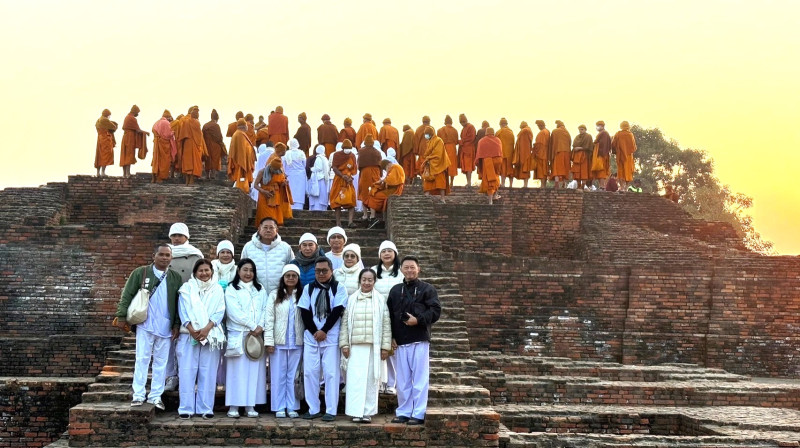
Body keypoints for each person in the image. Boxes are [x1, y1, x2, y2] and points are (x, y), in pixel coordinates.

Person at [114, 243, 181, 410]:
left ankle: (155, 396)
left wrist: (176, 324)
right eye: (161, 254)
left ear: (171, 258)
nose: (164, 258)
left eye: (167, 255)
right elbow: (127, 294)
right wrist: (121, 315)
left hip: (165, 326)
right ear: (154, 256)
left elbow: (178, 303)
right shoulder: (141, 273)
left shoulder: (175, 277)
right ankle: (138, 395)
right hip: (145, 324)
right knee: (142, 359)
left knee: (161, 363)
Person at [387, 256, 441, 425]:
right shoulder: (395, 291)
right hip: (401, 341)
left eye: (412, 267)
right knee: (402, 380)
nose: (409, 270)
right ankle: (403, 411)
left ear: (418, 269)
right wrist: (391, 336)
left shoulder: (427, 289)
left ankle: (418, 413)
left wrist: (418, 320)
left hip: (419, 339)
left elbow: (435, 311)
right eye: (406, 267)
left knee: (419, 379)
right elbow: (389, 316)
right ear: (401, 270)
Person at [298, 257, 349, 421]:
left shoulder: (338, 288)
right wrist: (315, 331)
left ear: (331, 271)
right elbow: (305, 312)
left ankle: (331, 410)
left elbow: (337, 311)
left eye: (324, 270)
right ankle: (313, 408)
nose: (321, 274)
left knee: (331, 374)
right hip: (312, 337)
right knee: (310, 373)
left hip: (331, 336)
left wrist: (324, 330)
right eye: (318, 271)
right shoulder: (309, 288)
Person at [176, 259, 226, 419]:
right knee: (187, 372)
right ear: (195, 273)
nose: (204, 273)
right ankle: (186, 408)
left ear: (212, 271)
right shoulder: (187, 289)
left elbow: (220, 311)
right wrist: (192, 330)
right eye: (201, 271)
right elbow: (183, 311)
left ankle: (205, 408)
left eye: (207, 270)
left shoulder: (217, 289)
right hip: (188, 334)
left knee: (208, 372)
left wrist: (206, 329)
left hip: (210, 335)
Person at [340, 268, 391, 423]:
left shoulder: (380, 300)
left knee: (370, 381)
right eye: (364, 279)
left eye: (370, 280)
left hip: (373, 347)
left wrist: (385, 347)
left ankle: (367, 412)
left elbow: (386, 324)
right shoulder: (352, 299)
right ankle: (355, 411)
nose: (367, 282)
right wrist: (344, 344)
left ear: (374, 281)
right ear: (360, 280)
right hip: (355, 346)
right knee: (355, 380)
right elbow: (345, 323)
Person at [224, 259, 268, 418]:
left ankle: (251, 405)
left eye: (251, 270)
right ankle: (234, 406)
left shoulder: (260, 288)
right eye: (245, 270)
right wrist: (252, 325)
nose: (248, 273)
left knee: (254, 372)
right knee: (236, 372)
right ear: (238, 271)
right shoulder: (231, 288)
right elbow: (233, 312)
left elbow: (265, 308)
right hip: (239, 333)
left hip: (256, 335)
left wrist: (260, 326)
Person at [264, 264, 304, 418]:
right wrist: (269, 341)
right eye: (288, 275)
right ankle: (279, 406)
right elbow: (269, 318)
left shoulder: (302, 294)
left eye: (294, 275)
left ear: (298, 278)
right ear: (283, 277)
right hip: (278, 342)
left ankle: (292, 407)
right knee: (278, 376)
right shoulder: (275, 295)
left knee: (293, 376)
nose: (291, 278)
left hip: (297, 342)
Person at [371, 241, 403, 394]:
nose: (387, 254)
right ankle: (377, 383)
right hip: (376, 315)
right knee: (376, 349)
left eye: (390, 251)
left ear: (395, 253)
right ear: (379, 255)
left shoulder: (401, 273)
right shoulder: (373, 271)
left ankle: (391, 383)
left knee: (392, 350)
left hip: (395, 315)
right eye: (383, 251)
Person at [241, 217, 294, 295]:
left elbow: (292, 268)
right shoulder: (248, 247)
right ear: (259, 229)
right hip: (255, 294)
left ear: (277, 230)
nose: (268, 230)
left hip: (279, 294)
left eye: (271, 228)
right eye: (265, 227)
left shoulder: (285, 247)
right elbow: (242, 269)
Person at [254, 142, 293, 226]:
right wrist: (263, 191)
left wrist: (284, 183)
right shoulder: (262, 172)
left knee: (274, 218)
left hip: (275, 195)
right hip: (264, 195)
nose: (275, 172)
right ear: (270, 166)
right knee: (265, 217)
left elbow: (280, 183)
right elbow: (255, 185)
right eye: (274, 170)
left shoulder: (278, 172)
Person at [365, 158, 405, 225]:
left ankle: (372, 217)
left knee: (373, 196)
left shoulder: (395, 167)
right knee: (373, 192)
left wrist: (382, 180)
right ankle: (373, 217)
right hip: (390, 189)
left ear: (388, 165)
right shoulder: (393, 168)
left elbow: (391, 180)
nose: (386, 170)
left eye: (385, 168)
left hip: (394, 190)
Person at [330, 139, 358, 228]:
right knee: (336, 200)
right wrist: (342, 175)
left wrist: (349, 176)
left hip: (348, 181)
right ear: (342, 148)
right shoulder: (337, 155)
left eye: (349, 148)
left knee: (351, 200)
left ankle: (350, 222)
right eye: (346, 148)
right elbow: (334, 168)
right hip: (338, 180)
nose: (347, 150)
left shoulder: (352, 156)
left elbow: (354, 168)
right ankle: (338, 223)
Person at [178, 107, 208, 186]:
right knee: (194, 162)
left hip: (187, 144)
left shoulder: (185, 122)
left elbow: (182, 135)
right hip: (194, 144)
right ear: (196, 115)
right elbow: (199, 136)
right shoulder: (197, 123)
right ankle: (191, 181)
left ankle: (187, 181)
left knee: (187, 162)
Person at [358, 135, 384, 221]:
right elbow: (380, 165)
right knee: (373, 192)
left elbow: (359, 165)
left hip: (365, 173)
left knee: (364, 193)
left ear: (365, 142)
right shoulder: (377, 152)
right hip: (375, 172)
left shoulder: (361, 151)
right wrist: (380, 174)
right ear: (373, 142)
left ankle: (365, 215)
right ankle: (372, 215)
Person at [421, 126, 450, 202]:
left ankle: (442, 198)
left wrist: (429, 158)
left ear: (431, 133)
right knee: (428, 181)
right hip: (430, 164)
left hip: (439, 165)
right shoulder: (429, 141)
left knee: (440, 182)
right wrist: (427, 158)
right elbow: (427, 152)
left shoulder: (438, 140)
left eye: (427, 134)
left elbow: (438, 154)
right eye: (425, 134)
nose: (426, 135)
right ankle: (426, 197)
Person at [475, 127, 503, 204]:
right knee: (495, 177)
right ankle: (495, 195)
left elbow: (479, 154)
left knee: (489, 180)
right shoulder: (498, 140)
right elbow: (500, 153)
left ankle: (490, 201)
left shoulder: (482, 141)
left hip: (487, 161)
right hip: (497, 160)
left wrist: (478, 163)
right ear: (493, 132)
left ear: (486, 133)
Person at [120, 105, 149, 178]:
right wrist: (145, 132)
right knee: (129, 155)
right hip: (130, 138)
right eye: (137, 112)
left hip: (125, 137)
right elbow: (138, 130)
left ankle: (124, 174)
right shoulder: (132, 118)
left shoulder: (127, 117)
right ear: (135, 112)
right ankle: (128, 173)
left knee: (124, 155)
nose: (137, 114)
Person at [228, 118, 256, 194]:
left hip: (241, 160)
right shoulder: (239, 134)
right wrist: (244, 162)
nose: (247, 127)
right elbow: (242, 150)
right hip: (241, 161)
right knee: (241, 178)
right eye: (246, 125)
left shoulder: (238, 133)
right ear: (244, 126)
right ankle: (242, 190)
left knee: (241, 178)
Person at [151, 110, 176, 183]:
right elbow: (167, 135)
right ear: (168, 117)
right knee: (164, 160)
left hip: (157, 143)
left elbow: (153, 130)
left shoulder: (157, 122)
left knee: (156, 160)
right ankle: (160, 178)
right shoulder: (166, 123)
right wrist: (173, 132)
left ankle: (154, 177)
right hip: (164, 144)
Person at [612, 121, 638, 190]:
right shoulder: (630, 135)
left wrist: (616, 151)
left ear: (621, 126)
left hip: (620, 156)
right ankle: (626, 187)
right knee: (628, 171)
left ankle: (622, 187)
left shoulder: (618, 134)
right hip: (628, 156)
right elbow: (634, 147)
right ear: (628, 126)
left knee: (620, 172)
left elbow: (613, 144)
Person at [202, 109, 227, 181]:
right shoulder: (216, 126)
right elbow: (219, 137)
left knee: (208, 159)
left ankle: (207, 175)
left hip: (207, 145)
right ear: (217, 118)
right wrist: (222, 145)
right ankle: (212, 175)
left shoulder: (205, 125)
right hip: (215, 146)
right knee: (214, 159)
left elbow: (202, 135)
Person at [283, 139, 307, 210]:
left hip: (289, 175)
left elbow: (283, 166)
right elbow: (304, 164)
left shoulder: (287, 153)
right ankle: (299, 207)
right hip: (300, 176)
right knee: (299, 192)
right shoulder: (301, 153)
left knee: (291, 191)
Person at [437, 116, 459, 189]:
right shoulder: (455, 130)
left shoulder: (440, 130)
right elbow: (456, 141)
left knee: (444, 165)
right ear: (451, 122)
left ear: (445, 122)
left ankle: (445, 182)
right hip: (452, 148)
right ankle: (451, 182)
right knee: (452, 165)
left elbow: (438, 140)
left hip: (443, 148)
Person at [95, 109, 118, 177]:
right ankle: (103, 172)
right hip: (105, 139)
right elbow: (113, 127)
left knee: (99, 155)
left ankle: (98, 173)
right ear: (107, 114)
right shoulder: (105, 120)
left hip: (100, 139)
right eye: (109, 115)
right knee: (105, 155)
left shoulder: (98, 120)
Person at [550, 120, 572, 189]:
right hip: (567, 152)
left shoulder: (555, 131)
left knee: (557, 168)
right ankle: (564, 184)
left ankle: (556, 184)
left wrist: (552, 153)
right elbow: (570, 143)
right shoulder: (567, 132)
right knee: (565, 168)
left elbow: (552, 142)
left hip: (558, 151)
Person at [308, 145, 330, 211]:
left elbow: (318, 168)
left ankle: (316, 208)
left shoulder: (318, 158)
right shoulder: (325, 159)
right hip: (323, 178)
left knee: (317, 196)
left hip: (318, 179)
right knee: (322, 195)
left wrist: (311, 169)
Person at [512, 121, 534, 188]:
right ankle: (525, 185)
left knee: (525, 168)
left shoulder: (524, 131)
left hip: (523, 153)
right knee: (526, 169)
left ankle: (525, 185)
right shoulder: (529, 130)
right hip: (527, 153)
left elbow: (522, 143)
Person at [571, 125, 593, 189]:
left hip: (585, 156)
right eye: (579, 129)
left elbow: (589, 147)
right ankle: (578, 185)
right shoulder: (577, 137)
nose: (580, 131)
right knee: (577, 171)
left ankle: (583, 185)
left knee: (584, 171)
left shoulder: (588, 136)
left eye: (582, 129)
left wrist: (580, 148)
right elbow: (574, 146)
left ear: (585, 130)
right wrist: (575, 149)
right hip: (577, 156)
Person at [495, 118, 515, 189]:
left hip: (502, 153)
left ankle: (503, 184)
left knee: (503, 169)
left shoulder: (499, 132)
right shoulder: (511, 132)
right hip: (510, 154)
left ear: (501, 124)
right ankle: (511, 185)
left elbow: (496, 143)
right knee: (510, 169)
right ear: (506, 124)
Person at [458, 114, 477, 187]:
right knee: (465, 167)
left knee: (468, 166)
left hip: (469, 150)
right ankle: (468, 182)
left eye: (463, 122)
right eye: (461, 122)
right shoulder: (464, 129)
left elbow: (471, 138)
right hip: (464, 150)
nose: (462, 123)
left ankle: (469, 182)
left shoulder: (471, 127)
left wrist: (461, 141)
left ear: (466, 120)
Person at [592, 121, 612, 189]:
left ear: (602, 126)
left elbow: (603, 144)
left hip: (602, 154)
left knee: (601, 170)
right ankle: (601, 186)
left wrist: (595, 144)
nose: (597, 127)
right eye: (597, 126)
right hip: (600, 154)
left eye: (599, 125)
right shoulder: (601, 133)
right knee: (599, 170)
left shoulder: (604, 133)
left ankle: (602, 186)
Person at [532, 120, 550, 188]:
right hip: (545, 153)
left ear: (541, 125)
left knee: (541, 170)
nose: (538, 127)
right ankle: (543, 185)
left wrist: (535, 149)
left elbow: (539, 144)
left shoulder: (543, 132)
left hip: (541, 154)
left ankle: (543, 186)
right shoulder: (547, 131)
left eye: (538, 125)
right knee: (544, 169)